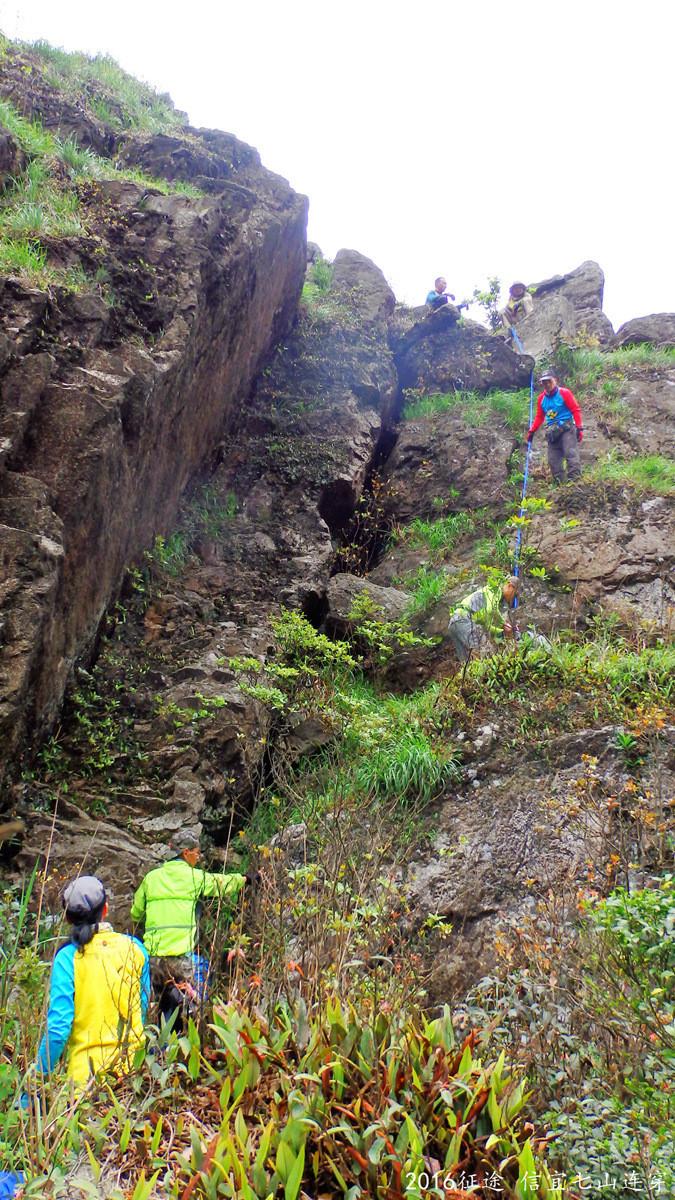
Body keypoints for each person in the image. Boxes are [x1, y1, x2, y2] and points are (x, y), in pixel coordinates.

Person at [36, 876, 149, 1086]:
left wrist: (32, 1086)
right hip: (134, 1079)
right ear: (105, 908)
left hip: (83, 1084)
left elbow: (58, 1030)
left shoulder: (67, 958)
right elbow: (142, 1008)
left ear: (68, 918)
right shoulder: (136, 948)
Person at [131, 831, 246, 1029]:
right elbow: (221, 883)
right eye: (196, 852)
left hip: (153, 959)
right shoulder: (194, 877)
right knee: (200, 989)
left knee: (153, 1007)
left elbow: (135, 913)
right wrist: (244, 879)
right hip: (181, 961)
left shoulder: (151, 878)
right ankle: (193, 1034)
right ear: (185, 853)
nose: (198, 856)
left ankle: (152, 1046)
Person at [527, 372, 583, 483]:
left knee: (570, 453)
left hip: (566, 427)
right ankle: (560, 485)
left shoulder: (564, 393)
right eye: (544, 382)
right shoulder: (541, 399)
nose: (547, 384)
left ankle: (575, 482)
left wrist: (579, 428)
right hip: (552, 432)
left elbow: (575, 410)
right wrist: (531, 431)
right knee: (553, 460)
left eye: (549, 381)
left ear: (555, 380)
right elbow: (539, 417)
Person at [447, 575, 519, 662]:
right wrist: (502, 623)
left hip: (455, 621)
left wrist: (501, 631)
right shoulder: (495, 589)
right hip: (464, 619)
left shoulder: (486, 602)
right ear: (510, 586)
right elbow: (491, 610)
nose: (511, 599)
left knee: (465, 662)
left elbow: (486, 625)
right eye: (514, 595)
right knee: (481, 651)